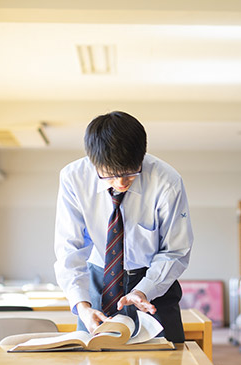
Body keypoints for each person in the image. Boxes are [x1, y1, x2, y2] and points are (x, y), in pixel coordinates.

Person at [54, 111, 193, 342]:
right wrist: (82, 305)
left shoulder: (167, 181)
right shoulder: (73, 179)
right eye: (110, 175)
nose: (121, 183)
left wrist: (143, 290)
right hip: (98, 281)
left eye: (130, 173)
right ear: (93, 162)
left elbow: (175, 250)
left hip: (153, 284)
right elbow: (70, 249)